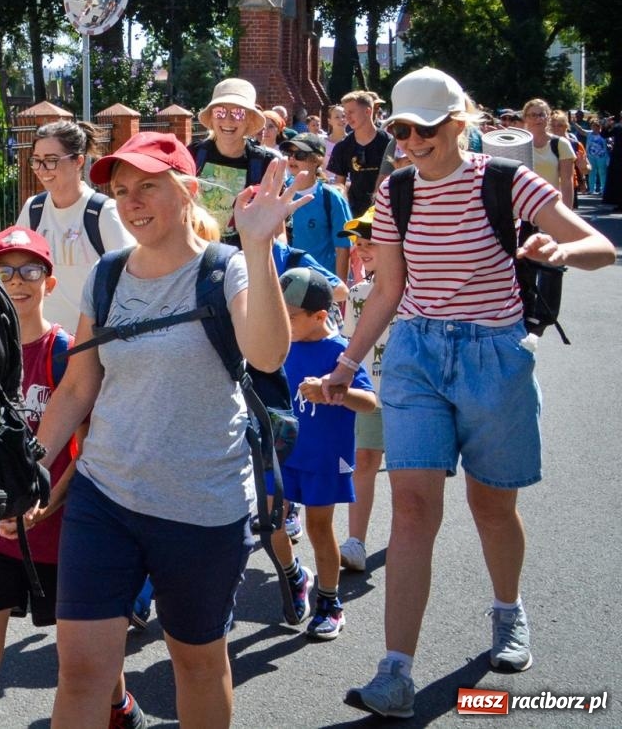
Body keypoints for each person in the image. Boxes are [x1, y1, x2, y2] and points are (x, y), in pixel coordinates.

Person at [328, 68, 616, 718]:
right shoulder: (396, 189)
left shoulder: (505, 179)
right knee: (411, 509)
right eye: (401, 128)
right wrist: (348, 362)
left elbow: (598, 245)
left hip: (494, 354)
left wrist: (562, 254)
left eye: (423, 128)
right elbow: (390, 288)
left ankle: (509, 611)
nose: (409, 141)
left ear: (458, 122)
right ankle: (395, 671)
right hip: (418, 355)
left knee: (491, 505)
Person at [35, 132, 304, 729]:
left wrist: (258, 248)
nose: (132, 202)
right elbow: (79, 387)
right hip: (104, 498)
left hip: (201, 506)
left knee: (196, 663)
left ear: (186, 190)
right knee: (80, 669)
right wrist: (32, 463)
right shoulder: (106, 277)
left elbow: (265, 354)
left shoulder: (226, 269)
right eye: (122, 190)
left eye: (148, 186)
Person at [0, 228, 145, 729]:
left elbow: (88, 448)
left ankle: (118, 705)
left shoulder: (67, 351)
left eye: (30, 270)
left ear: (49, 283)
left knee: (82, 655)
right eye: (3, 271)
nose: (17, 281)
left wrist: (48, 502)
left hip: (61, 529)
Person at [264, 269, 377, 641]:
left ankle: (330, 602)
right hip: (281, 453)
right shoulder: (281, 341)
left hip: (323, 458)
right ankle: (296, 575)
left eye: (291, 315)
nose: (284, 320)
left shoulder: (340, 352)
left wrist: (334, 390)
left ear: (319, 316)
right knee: (269, 523)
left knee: (318, 527)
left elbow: (370, 402)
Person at [17, 120, 134, 328]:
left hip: (90, 343)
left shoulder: (103, 212)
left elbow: (129, 279)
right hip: (45, 341)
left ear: (78, 161)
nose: (42, 169)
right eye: (36, 160)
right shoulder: (33, 209)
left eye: (51, 160)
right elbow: (16, 265)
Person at [337, 208, 388, 574]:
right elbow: (349, 343)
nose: (363, 249)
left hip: (413, 397)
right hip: (370, 394)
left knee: (409, 475)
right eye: (359, 243)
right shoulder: (359, 293)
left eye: (372, 242)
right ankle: (356, 541)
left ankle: (409, 535)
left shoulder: (420, 291)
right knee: (366, 461)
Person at [188, 78, 281, 244]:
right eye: (220, 112)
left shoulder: (266, 164)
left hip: (243, 260)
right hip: (196, 256)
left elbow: (278, 228)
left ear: (249, 120)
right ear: (212, 117)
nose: (228, 120)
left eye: (238, 113)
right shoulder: (193, 154)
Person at [284, 132, 352, 285]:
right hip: (284, 282)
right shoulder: (280, 192)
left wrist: (339, 295)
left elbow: (343, 249)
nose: (292, 159)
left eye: (300, 154)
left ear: (316, 160)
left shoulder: (332, 197)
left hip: (319, 285)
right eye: (290, 154)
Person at [327, 90, 393, 219]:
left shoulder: (389, 142)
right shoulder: (343, 147)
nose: (347, 117)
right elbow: (340, 182)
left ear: (368, 111)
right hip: (355, 212)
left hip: (387, 210)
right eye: (345, 113)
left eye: (351, 112)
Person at [522, 99, 575, 210]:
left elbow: (567, 182)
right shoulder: (519, 144)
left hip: (551, 207)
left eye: (542, 114)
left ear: (548, 117)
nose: (538, 119)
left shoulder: (561, 144)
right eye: (532, 115)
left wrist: (567, 213)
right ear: (525, 118)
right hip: (523, 208)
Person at [586, 120, 610, 196]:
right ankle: (591, 189)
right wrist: (574, 123)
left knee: (602, 173)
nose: (595, 128)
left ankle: (603, 190)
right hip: (591, 156)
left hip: (602, 156)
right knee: (591, 172)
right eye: (593, 126)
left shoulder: (604, 135)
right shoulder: (589, 134)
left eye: (597, 126)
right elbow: (581, 130)